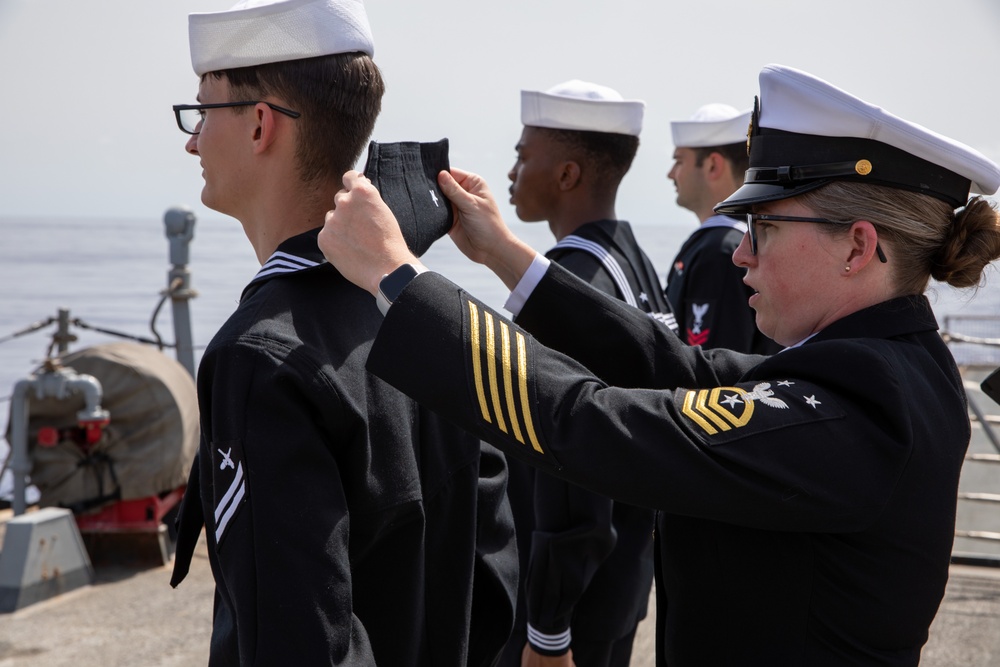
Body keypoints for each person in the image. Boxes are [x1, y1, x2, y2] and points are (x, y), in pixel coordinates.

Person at [317, 63, 1000, 666]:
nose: (740, 254)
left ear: (857, 246)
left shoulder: (864, 409)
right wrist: (502, 252)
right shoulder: (888, 367)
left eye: (763, 228)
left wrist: (398, 281)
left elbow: (586, 424)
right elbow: (675, 367)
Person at [166, 1, 518, 664]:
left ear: (260, 126)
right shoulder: (439, 319)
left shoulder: (261, 356)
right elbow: (494, 581)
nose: (191, 140)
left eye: (201, 112)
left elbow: (296, 639)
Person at [500, 80, 671, 666]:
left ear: (568, 175)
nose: (512, 171)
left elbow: (572, 467)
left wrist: (548, 629)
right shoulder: (633, 261)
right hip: (621, 576)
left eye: (523, 156)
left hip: (569, 603)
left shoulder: (571, 286)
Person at [666, 103, 780, 354]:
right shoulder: (754, 236)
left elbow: (712, 368)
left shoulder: (718, 250)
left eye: (679, 161)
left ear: (712, 166)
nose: (671, 173)